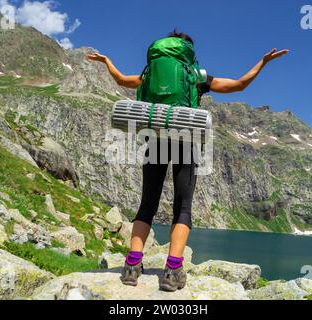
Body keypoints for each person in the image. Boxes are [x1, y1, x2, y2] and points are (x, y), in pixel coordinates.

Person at [87, 30, 288, 292]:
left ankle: (132, 267)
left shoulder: (150, 74)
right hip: (185, 141)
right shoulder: (196, 76)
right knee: (183, 207)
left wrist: (106, 61)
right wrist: (263, 62)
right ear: (190, 53)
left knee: (147, 204)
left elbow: (122, 80)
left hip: (155, 140)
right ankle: (172, 270)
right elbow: (239, 85)